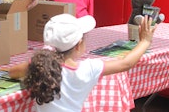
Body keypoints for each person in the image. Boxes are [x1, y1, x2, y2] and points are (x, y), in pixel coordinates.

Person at [9, 13, 157, 112]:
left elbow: (13, 72)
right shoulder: (88, 68)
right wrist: (145, 41)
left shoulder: (39, 64)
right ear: (79, 45)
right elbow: (126, 63)